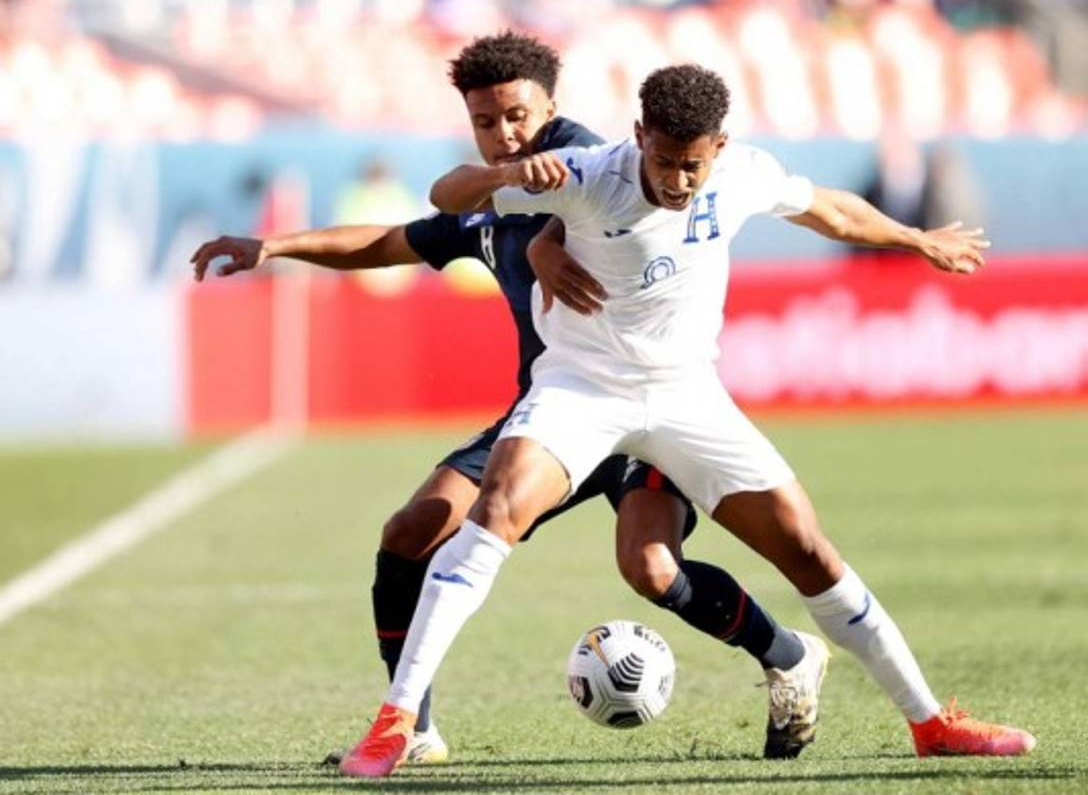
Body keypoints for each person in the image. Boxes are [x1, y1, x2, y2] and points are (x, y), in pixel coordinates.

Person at [339, 62, 1035, 779]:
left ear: (720, 148)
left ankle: (930, 723)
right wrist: (500, 179)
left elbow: (831, 210)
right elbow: (444, 193)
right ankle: (397, 722)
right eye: (664, 162)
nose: (676, 181)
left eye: (692, 166)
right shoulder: (585, 173)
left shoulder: (742, 174)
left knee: (808, 552)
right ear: (638, 137)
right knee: (496, 513)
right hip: (583, 390)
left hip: (687, 397)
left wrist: (916, 239)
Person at [191, 33, 828, 765]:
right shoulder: (492, 195)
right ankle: (415, 728)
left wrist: (547, 244)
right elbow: (394, 241)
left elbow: (626, 211)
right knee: (410, 531)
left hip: (641, 405)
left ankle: (787, 657)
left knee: (652, 569)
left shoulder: (590, 163)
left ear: (550, 105)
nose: (505, 134)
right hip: (554, 413)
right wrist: (274, 246)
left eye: (518, 116)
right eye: (486, 122)